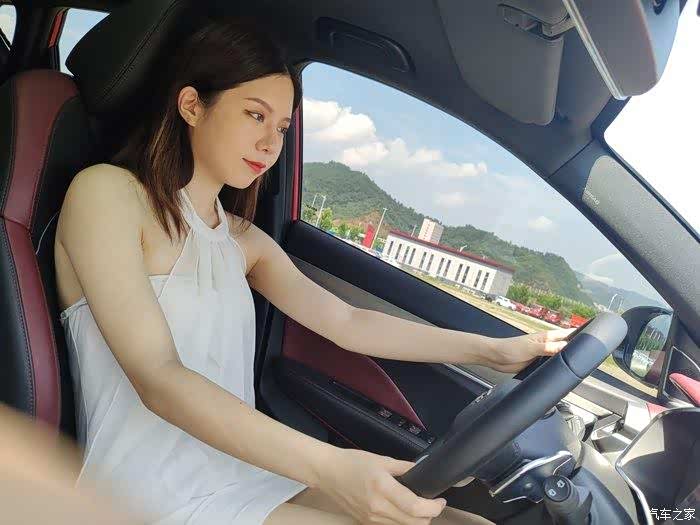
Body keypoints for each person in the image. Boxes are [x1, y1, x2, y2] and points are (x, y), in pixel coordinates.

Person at [55, 15, 574, 525]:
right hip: (144, 494)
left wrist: (494, 351)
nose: (271, 144)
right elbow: (158, 376)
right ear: (192, 105)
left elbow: (349, 323)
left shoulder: (243, 241)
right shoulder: (107, 194)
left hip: (239, 474)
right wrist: (331, 467)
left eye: (282, 128)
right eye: (255, 115)